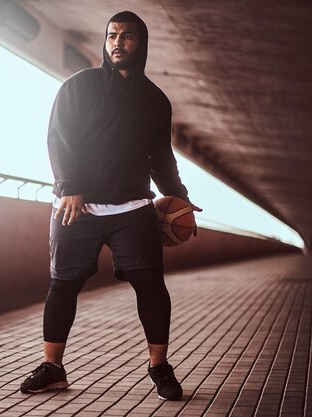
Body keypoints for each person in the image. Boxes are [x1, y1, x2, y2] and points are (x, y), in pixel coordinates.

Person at [19, 11, 202, 401]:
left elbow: (160, 157)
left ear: (142, 44)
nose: (117, 42)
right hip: (76, 207)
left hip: (132, 208)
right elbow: (60, 137)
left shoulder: (156, 100)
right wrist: (70, 186)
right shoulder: (78, 86)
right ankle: (53, 367)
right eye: (112, 35)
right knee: (62, 285)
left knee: (150, 285)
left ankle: (159, 366)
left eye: (127, 36)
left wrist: (180, 197)